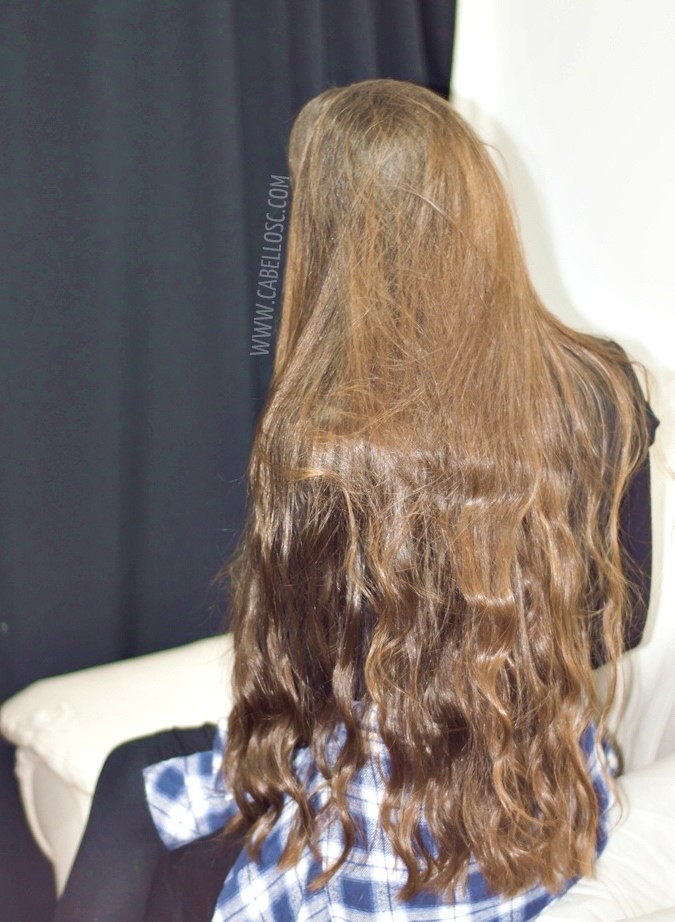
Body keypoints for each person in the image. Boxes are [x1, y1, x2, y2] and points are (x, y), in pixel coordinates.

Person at [54, 79, 659, 922]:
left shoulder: (321, 447)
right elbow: (615, 629)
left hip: (387, 840)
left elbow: (302, 694)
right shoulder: (607, 386)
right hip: (541, 803)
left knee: (132, 782)